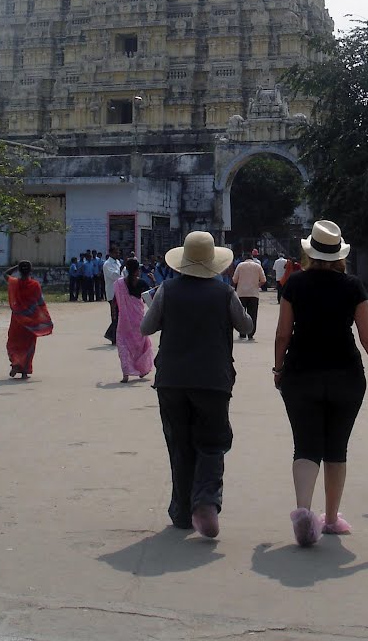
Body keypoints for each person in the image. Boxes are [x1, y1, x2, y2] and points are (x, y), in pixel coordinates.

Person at [274, 220, 368, 547]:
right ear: (339, 254)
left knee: (305, 444)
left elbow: (283, 333)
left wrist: (278, 367)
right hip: (345, 375)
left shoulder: (295, 284)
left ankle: (302, 512)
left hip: (300, 373)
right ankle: (330, 519)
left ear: (310, 251)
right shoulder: (352, 286)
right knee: (336, 447)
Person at [140, 230, 253, 538]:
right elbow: (246, 325)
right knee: (213, 443)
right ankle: (205, 500)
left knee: (179, 444)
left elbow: (145, 327)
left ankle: (180, 511)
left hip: (171, 380)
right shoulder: (223, 292)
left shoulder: (166, 289)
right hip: (213, 379)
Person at [3, 260, 54, 378]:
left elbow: (5, 274)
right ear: (31, 271)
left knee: (14, 342)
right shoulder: (35, 285)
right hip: (31, 320)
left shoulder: (14, 283)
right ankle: (24, 371)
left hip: (17, 319)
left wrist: (16, 267)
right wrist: (45, 318)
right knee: (28, 344)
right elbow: (40, 303)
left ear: (19, 271)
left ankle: (16, 362)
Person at [113, 259, 154, 384]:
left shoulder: (120, 283)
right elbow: (151, 298)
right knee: (141, 345)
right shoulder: (142, 283)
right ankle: (142, 370)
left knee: (123, 345)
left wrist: (114, 314)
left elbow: (115, 301)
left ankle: (126, 374)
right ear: (137, 270)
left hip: (124, 320)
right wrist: (153, 280)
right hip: (138, 319)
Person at [232, 252, 266, 339]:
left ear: (244, 258)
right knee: (253, 314)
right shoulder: (257, 266)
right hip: (253, 294)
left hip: (241, 293)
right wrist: (257, 285)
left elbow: (234, 280)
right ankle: (251, 334)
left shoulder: (240, 265)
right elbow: (263, 280)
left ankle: (242, 333)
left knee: (241, 314)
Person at [103, 246, 122, 343]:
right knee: (115, 316)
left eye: (118, 252)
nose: (117, 254)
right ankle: (112, 335)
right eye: (115, 252)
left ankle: (114, 335)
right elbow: (115, 276)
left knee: (120, 315)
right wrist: (121, 269)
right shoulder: (107, 264)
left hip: (119, 292)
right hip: (112, 293)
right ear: (110, 253)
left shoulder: (118, 262)